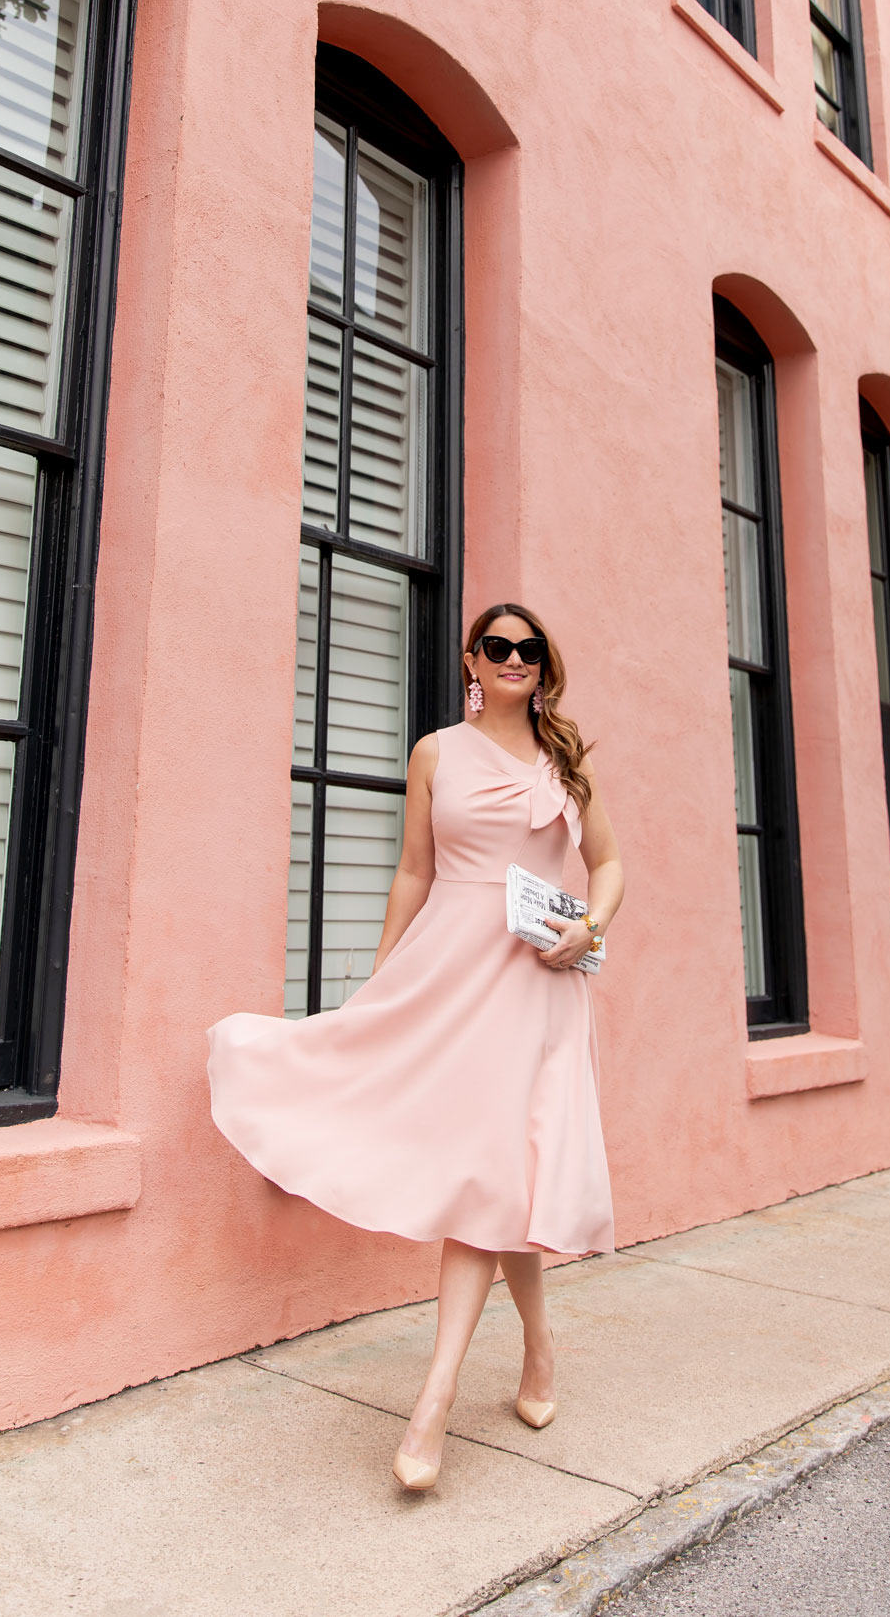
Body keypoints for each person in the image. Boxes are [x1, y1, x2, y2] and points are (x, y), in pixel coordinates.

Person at [207, 603, 624, 1491]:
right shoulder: (437, 752)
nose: (515, 658)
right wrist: (380, 987)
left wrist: (591, 919)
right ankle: (539, 1349)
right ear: (473, 659)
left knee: (493, 1176)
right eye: (498, 647)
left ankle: (433, 1404)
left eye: (530, 647)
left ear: (545, 662)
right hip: (450, 975)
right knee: (493, 1178)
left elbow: (612, 864)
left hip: (540, 985)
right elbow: (413, 872)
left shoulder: (566, 760)